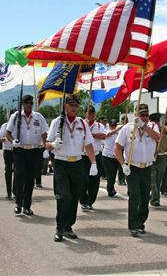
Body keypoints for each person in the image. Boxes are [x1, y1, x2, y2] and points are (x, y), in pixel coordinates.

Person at [46, 95, 97, 242]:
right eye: (71, 104)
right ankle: (59, 227)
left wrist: (93, 162)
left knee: (74, 197)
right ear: (65, 106)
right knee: (63, 196)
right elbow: (47, 143)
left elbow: (88, 145)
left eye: (76, 104)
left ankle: (68, 227)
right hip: (61, 163)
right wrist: (53, 145)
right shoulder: (57, 122)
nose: (74, 107)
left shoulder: (82, 123)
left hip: (77, 163)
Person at [115, 104, 160, 237]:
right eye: (142, 115)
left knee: (145, 197)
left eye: (146, 115)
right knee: (135, 195)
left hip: (147, 167)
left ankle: (140, 223)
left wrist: (144, 126)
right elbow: (117, 148)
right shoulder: (127, 128)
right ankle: (133, 225)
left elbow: (158, 137)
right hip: (132, 168)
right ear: (136, 115)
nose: (145, 117)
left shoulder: (152, 126)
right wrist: (123, 165)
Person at [6, 94, 48, 216]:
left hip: (34, 150)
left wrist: (45, 147)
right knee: (19, 176)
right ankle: (18, 203)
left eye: (31, 103)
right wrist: (12, 140)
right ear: (22, 104)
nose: (29, 105)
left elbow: (44, 133)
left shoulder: (38, 117)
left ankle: (27, 206)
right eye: (26, 103)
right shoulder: (15, 116)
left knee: (30, 179)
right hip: (20, 150)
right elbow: (8, 133)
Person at [79, 106, 106, 210]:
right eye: (88, 113)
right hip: (83, 156)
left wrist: (90, 134)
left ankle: (90, 201)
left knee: (94, 181)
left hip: (96, 155)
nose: (90, 115)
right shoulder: (81, 124)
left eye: (92, 113)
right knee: (83, 179)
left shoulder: (99, 125)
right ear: (85, 113)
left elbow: (104, 135)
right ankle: (83, 200)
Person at [149, 113, 167, 207]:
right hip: (151, 156)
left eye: (158, 121)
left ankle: (154, 197)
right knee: (152, 178)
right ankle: (155, 199)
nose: (157, 123)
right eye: (155, 121)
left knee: (159, 179)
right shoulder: (149, 129)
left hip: (162, 155)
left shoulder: (163, 128)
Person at [102, 119, 123, 197]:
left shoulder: (118, 133)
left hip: (115, 157)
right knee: (110, 175)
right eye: (112, 126)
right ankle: (110, 190)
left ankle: (111, 188)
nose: (113, 127)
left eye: (115, 125)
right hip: (107, 157)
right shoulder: (106, 131)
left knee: (113, 175)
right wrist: (118, 128)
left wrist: (122, 127)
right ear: (109, 125)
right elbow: (108, 134)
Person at [0, 110, 16, 200]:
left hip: (18, 151)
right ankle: (9, 192)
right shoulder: (5, 126)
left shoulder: (20, 126)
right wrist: (5, 138)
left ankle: (16, 191)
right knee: (8, 170)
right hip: (8, 151)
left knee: (18, 172)